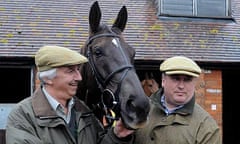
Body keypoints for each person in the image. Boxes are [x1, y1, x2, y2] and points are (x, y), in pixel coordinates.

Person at [5, 45, 134, 144]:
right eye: (70, 71)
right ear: (48, 78)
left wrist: (116, 135)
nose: (79, 77)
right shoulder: (22, 116)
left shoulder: (84, 111)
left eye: (78, 70)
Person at [134, 56, 222, 144]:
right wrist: (122, 138)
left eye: (187, 80)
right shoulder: (141, 111)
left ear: (194, 83)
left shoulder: (206, 127)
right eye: (176, 79)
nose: (181, 86)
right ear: (163, 80)